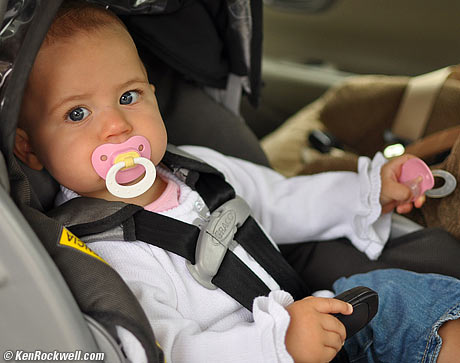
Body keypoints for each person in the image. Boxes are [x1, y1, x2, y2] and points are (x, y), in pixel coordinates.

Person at [13, 3, 460, 363]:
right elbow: (173, 350)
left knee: (401, 297)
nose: (116, 125)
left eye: (128, 97)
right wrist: (276, 346)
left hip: (309, 320)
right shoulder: (101, 251)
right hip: (258, 349)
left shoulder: (198, 169)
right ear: (28, 149)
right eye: (77, 113)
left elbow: (284, 199)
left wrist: (368, 191)